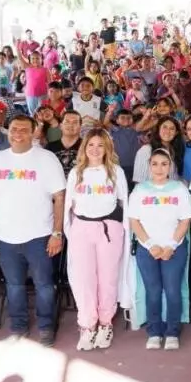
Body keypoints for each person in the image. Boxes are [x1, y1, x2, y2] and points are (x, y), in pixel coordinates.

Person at [0, 115, 67, 346]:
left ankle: (46, 325)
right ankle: (18, 325)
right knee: (14, 285)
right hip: (5, 237)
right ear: (8, 131)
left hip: (40, 235)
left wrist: (57, 233)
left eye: (24, 129)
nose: (18, 133)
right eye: (14, 129)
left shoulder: (47, 159)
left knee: (44, 284)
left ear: (33, 132)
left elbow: (59, 197)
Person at [65, 128, 129, 352]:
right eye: (91, 145)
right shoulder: (76, 173)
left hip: (109, 229)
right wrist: (71, 231)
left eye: (100, 145)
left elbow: (124, 202)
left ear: (107, 148)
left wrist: (122, 229)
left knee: (107, 278)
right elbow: (69, 205)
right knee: (84, 278)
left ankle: (105, 323)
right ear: (84, 147)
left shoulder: (115, 172)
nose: (95, 149)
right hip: (82, 228)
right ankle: (87, 324)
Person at [127, 148, 191, 350]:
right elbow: (134, 221)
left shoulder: (179, 189)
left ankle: (172, 331)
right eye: (155, 164)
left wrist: (171, 245)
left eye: (164, 164)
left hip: (174, 249)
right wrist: (149, 245)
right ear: (149, 166)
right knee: (153, 291)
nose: (159, 168)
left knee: (172, 290)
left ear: (170, 166)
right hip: (147, 249)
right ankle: (154, 331)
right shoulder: (140, 191)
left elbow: (185, 220)